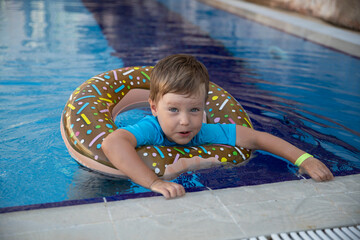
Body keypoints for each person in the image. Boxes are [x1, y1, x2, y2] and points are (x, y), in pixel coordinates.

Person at [102, 54, 334, 199]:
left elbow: (258, 139)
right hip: (114, 176)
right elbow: (112, 142)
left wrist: (305, 159)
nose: (185, 121)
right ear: (153, 108)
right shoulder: (150, 129)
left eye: (194, 110)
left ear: (204, 108)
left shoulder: (205, 132)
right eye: (173, 110)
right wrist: (154, 182)